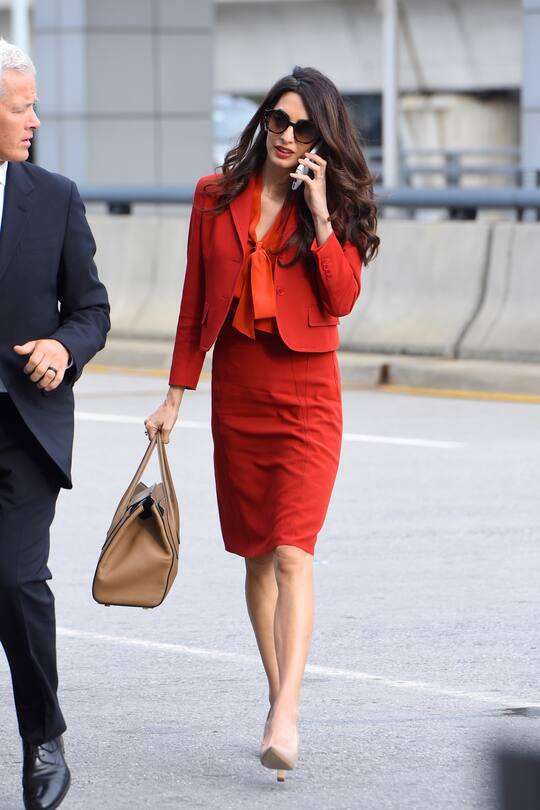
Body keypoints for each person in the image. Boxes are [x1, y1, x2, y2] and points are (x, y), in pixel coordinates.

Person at [145, 65, 378, 781]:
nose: (287, 136)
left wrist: (318, 214)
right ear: (263, 123)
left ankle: (285, 712)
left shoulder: (332, 202)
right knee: (254, 554)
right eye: (278, 121)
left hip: (308, 396)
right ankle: (278, 696)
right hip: (238, 393)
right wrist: (176, 396)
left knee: (292, 551)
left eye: (304, 128)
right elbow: (193, 301)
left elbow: (340, 300)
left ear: (323, 139)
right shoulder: (213, 198)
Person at [0, 39, 110, 810]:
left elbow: (93, 312)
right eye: (19, 106)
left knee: (14, 579)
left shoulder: (56, 195)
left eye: (32, 103)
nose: (35, 118)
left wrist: (61, 349)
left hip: (22, 428)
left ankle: (43, 739)